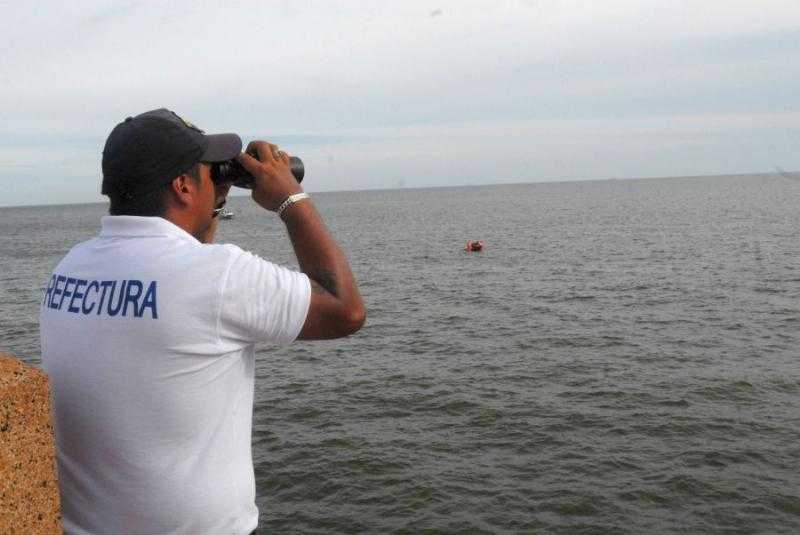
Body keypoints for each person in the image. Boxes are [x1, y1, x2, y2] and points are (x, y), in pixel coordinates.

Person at [39, 108, 365, 534]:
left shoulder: (69, 269)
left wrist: (209, 200)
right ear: (182, 186)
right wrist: (290, 198)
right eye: (207, 171)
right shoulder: (218, 276)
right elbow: (346, 310)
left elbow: (182, 270)